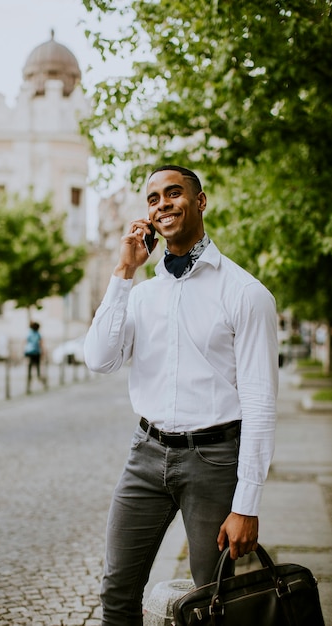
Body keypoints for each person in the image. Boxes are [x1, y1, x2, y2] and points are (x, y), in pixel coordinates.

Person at [84, 165, 279, 626]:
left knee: (217, 603)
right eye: (153, 199)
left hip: (213, 461)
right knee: (116, 591)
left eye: (174, 193)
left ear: (201, 201)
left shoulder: (245, 293)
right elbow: (99, 358)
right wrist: (123, 271)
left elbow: (260, 404)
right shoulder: (142, 294)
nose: (163, 204)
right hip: (145, 456)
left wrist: (246, 504)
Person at [24, 321, 43, 389]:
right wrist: (42, 352)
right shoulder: (38, 334)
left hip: (29, 351)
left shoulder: (29, 333)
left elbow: (25, 341)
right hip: (36, 351)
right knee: (37, 365)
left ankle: (29, 376)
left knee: (30, 364)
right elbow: (41, 343)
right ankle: (38, 376)